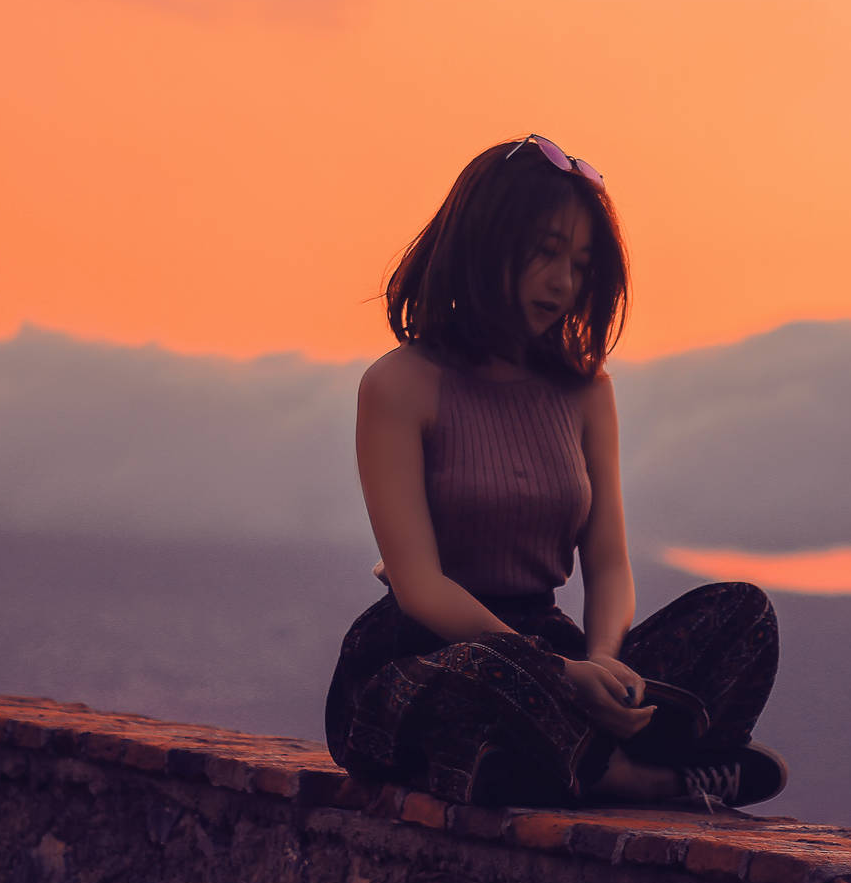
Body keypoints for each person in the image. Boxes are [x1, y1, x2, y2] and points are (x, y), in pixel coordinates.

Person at [323, 134, 787, 811]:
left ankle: (583, 756)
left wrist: (601, 663)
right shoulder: (398, 386)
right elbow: (419, 587)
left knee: (744, 615)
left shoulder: (586, 392)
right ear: (483, 243)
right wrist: (558, 676)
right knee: (492, 674)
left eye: (579, 262)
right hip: (431, 659)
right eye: (545, 253)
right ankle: (642, 779)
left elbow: (608, 567)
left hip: (556, 652)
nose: (563, 283)